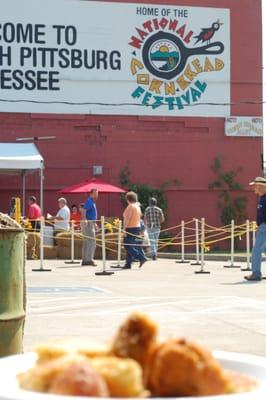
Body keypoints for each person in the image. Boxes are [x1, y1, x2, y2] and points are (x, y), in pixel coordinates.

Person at [244, 177, 266, 281]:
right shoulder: (262, 197)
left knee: (256, 250)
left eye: (255, 186)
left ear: (262, 187)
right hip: (263, 226)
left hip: (264, 227)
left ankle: (256, 274)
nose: (254, 189)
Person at [122, 191, 147, 269]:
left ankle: (141, 258)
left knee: (127, 246)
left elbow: (127, 219)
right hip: (136, 227)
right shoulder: (137, 207)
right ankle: (128, 263)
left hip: (130, 227)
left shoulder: (130, 206)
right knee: (130, 246)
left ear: (127, 199)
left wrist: (124, 229)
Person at [82, 189, 98, 266]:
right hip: (88, 223)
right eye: (95, 193)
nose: (96, 195)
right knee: (91, 242)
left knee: (88, 241)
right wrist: (85, 219)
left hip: (91, 222)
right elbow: (84, 210)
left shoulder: (91, 201)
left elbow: (90, 213)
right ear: (91, 194)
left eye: (97, 194)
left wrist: (94, 223)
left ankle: (85, 259)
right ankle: (89, 259)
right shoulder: (89, 201)